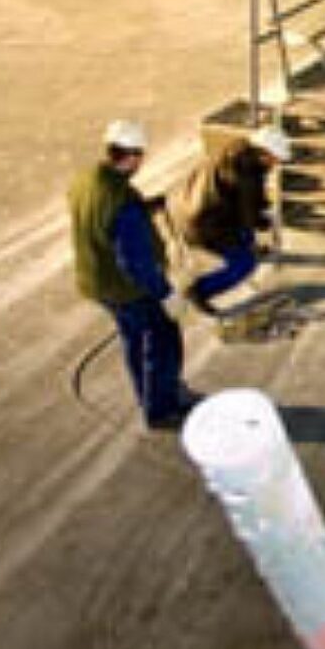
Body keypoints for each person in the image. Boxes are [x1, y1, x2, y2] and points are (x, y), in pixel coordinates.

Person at [69, 117, 201, 430]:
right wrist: (166, 295)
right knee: (163, 340)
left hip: (96, 282)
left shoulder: (85, 180)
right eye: (140, 156)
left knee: (133, 339)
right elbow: (135, 262)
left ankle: (151, 395)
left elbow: (98, 220)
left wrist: (144, 209)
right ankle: (162, 409)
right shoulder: (122, 203)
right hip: (127, 289)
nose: (141, 162)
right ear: (130, 157)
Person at [176, 125, 292, 315]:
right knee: (244, 265)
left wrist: (260, 209)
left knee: (246, 232)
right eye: (276, 159)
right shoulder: (248, 176)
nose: (276, 164)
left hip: (193, 211)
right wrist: (265, 221)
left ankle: (248, 247)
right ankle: (199, 290)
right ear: (265, 153)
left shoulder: (237, 153)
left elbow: (246, 199)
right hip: (207, 227)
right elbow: (249, 215)